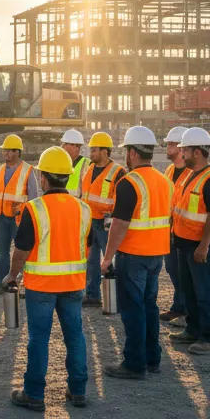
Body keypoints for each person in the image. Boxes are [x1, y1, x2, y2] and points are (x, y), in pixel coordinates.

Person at [5, 147, 90, 412]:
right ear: (66, 177)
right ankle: (78, 390)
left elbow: (21, 249)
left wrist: (12, 275)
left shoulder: (35, 208)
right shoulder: (83, 208)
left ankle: (34, 394)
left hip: (42, 286)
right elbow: (85, 245)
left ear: (43, 178)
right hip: (74, 284)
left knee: (39, 338)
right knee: (75, 336)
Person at [100, 126, 174, 379]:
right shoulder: (165, 181)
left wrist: (108, 256)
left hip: (134, 255)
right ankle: (152, 358)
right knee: (149, 306)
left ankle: (134, 363)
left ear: (131, 153)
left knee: (133, 309)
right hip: (157, 253)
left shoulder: (129, 182)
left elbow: (120, 224)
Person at [169, 127, 210, 355]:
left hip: (201, 245)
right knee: (189, 290)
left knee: (205, 291)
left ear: (197, 152)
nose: (180, 154)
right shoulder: (187, 175)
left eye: (184, 150)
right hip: (185, 242)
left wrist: (204, 245)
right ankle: (193, 330)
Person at [0, 134, 39, 296]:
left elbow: (34, 197)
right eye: (5, 151)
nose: (6, 154)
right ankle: (1, 282)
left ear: (17, 152)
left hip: (19, 219)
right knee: (2, 252)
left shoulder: (28, 171)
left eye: (9, 151)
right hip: (1, 217)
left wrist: (31, 219)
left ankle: (23, 284)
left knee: (23, 251)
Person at [79, 131, 125, 310]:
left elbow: (121, 200)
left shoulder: (118, 172)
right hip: (90, 222)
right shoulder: (89, 168)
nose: (91, 152)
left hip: (107, 224)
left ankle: (117, 298)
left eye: (94, 149)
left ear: (105, 151)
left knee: (110, 261)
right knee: (91, 260)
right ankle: (93, 295)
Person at [160, 125, 191, 326]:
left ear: (181, 148)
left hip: (186, 232)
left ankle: (186, 310)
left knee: (185, 272)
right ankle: (179, 306)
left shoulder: (191, 172)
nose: (168, 147)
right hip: (170, 231)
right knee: (172, 268)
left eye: (171, 144)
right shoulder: (170, 170)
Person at [59, 128, 90, 193]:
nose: (76, 149)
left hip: (76, 202)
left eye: (78, 146)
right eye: (73, 145)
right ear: (64, 145)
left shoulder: (86, 164)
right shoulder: (54, 160)